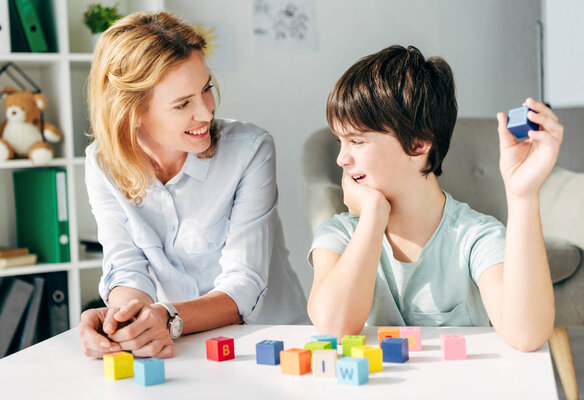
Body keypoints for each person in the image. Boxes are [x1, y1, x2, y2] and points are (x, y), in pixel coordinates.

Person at [78, 11, 308, 359]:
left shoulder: (250, 150)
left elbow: (244, 284)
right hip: (184, 351)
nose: (206, 112)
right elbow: (126, 267)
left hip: (273, 344)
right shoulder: (102, 164)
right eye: (183, 104)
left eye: (206, 89)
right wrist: (124, 319)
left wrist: (166, 317)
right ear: (132, 111)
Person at [307, 45, 563, 351]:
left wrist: (522, 195)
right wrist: (374, 215)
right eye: (340, 141)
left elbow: (527, 335)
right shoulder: (338, 236)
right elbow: (334, 328)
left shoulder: (475, 237)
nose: (341, 159)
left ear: (418, 144)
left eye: (356, 141)